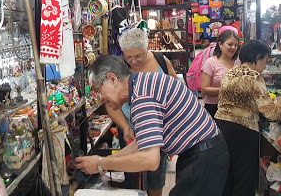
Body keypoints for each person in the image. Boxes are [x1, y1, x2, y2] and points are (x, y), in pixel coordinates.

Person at [76, 55, 229, 196]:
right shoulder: (142, 84)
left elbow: (150, 160)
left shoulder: (142, 96)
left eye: (98, 90)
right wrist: (105, 161)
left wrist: (102, 164)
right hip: (205, 154)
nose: (100, 98)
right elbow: (142, 142)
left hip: (204, 158)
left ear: (112, 79)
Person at [214, 40, 281, 196]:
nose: (265, 65)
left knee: (227, 176)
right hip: (243, 131)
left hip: (221, 127)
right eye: (265, 60)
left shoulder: (230, 72)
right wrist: (279, 103)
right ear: (258, 57)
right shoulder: (255, 76)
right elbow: (271, 114)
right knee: (244, 178)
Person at [109, 28, 177, 196]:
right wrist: (125, 127)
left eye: (138, 56)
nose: (133, 61)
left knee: (156, 174)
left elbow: (175, 89)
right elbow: (111, 105)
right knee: (132, 175)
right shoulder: (118, 69)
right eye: (128, 57)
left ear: (147, 49)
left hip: (159, 129)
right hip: (130, 131)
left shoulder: (161, 62)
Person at [200, 26, 241, 118]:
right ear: (220, 44)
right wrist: (226, 91)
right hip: (214, 109)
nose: (233, 48)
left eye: (236, 45)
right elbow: (204, 89)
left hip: (235, 109)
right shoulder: (211, 63)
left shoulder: (239, 62)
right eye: (230, 44)